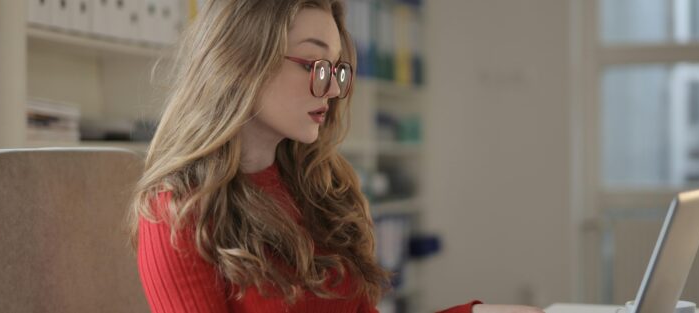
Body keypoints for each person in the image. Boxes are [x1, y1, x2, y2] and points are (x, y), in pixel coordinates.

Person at [130, 0, 545, 312]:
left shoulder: (321, 188)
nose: (330, 90)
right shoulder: (177, 213)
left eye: (335, 70)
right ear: (241, 62)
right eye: (314, 64)